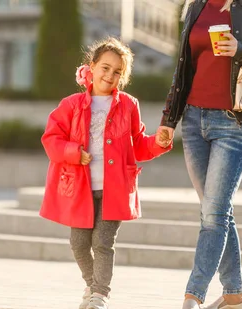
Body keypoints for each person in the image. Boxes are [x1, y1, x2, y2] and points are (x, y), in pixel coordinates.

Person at [156, 0, 242, 308]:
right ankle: (234, 296)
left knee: (214, 214)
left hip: (235, 123)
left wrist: (241, 49)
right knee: (214, 211)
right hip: (193, 121)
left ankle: (193, 295)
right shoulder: (196, 5)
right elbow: (184, 67)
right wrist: (169, 119)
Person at [39, 37, 172, 309]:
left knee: (102, 242)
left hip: (115, 188)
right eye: (105, 68)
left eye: (117, 72)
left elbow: (138, 145)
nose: (110, 75)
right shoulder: (72, 104)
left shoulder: (128, 105)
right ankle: (92, 284)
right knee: (78, 244)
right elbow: (51, 139)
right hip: (80, 188)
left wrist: (158, 142)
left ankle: (100, 295)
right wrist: (74, 153)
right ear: (92, 66)